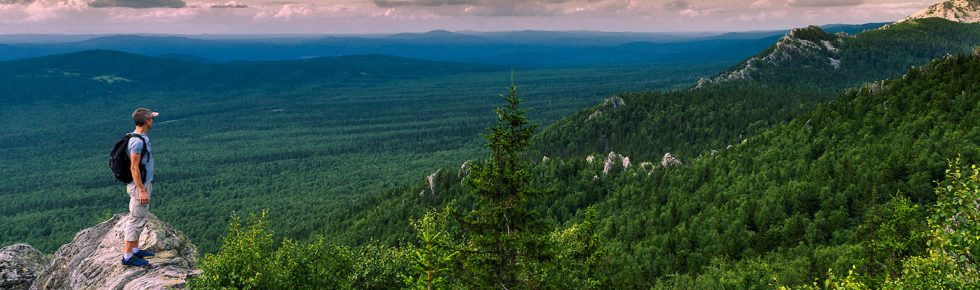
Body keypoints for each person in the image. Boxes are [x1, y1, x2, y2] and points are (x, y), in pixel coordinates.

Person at [121, 108, 158, 267]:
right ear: (147, 121)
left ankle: (135, 250)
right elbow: (134, 168)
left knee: (140, 217)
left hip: (142, 184)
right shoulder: (137, 142)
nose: (153, 121)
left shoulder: (140, 137)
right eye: (152, 118)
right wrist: (142, 190)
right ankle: (127, 256)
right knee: (136, 219)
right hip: (139, 187)